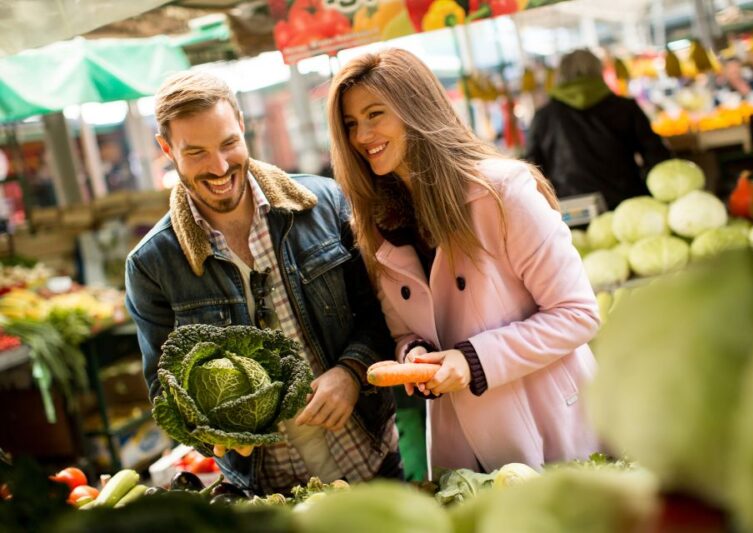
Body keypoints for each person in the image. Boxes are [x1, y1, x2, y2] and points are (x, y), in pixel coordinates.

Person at [124, 70, 401, 495]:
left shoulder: (323, 204)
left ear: (242, 126)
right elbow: (164, 387)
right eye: (195, 152)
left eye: (229, 144)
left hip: (373, 463)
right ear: (166, 150)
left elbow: (383, 313)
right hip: (267, 495)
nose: (219, 167)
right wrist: (213, 431)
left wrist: (352, 371)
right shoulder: (152, 265)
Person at [327, 48, 600, 474]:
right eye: (350, 124)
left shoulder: (502, 192)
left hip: (549, 423)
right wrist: (414, 355)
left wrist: (472, 361)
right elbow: (404, 331)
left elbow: (578, 313)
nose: (362, 136)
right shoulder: (376, 223)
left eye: (375, 114)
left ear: (415, 108)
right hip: (462, 443)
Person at [525, 49, 672, 210]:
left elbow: (532, 169)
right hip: (628, 204)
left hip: (572, 209)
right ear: (599, 71)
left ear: (560, 75)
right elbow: (657, 155)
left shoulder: (544, 116)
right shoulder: (625, 108)